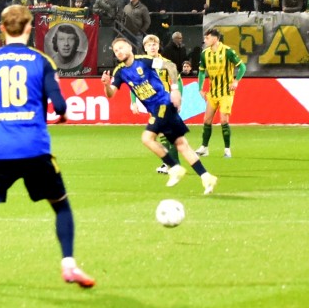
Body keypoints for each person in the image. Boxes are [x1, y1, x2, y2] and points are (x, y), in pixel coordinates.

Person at [0, 4, 93, 292]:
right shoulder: (41, 61)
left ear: (2, 29)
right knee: (60, 205)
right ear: (29, 29)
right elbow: (61, 104)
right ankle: (68, 263)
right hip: (35, 149)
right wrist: (63, 113)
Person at [105, 36, 216, 195]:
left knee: (147, 138)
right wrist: (105, 85)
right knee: (182, 144)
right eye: (116, 50)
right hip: (158, 109)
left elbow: (170, 66)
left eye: (121, 48)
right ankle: (206, 177)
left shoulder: (144, 61)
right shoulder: (120, 72)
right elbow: (111, 94)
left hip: (163, 104)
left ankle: (175, 168)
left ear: (130, 47)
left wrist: (175, 89)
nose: (119, 52)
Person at [197, 25, 246, 158]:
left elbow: (242, 67)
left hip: (226, 92)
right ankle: (204, 147)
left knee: (224, 120)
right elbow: (201, 72)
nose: (205, 40)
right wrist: (200, 89)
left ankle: (227, 150)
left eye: (207, 38)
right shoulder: (205, 54)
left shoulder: (228, 51)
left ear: (215, 38)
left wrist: (236, 81)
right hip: (213, 93)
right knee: (207, 120)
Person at [142, 33, 183, 173]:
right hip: (153, 103)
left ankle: (172, 165)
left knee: (164, 134)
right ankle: (173, 164)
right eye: (149, 45)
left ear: (159, 47)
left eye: (155, 44)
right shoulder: (142, 65)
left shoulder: (166, 63)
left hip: (165, 102)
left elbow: (178, 81)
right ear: (145, 48)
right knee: (165, 134)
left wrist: (178, 98)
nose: (152, 47)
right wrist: (133, 101)